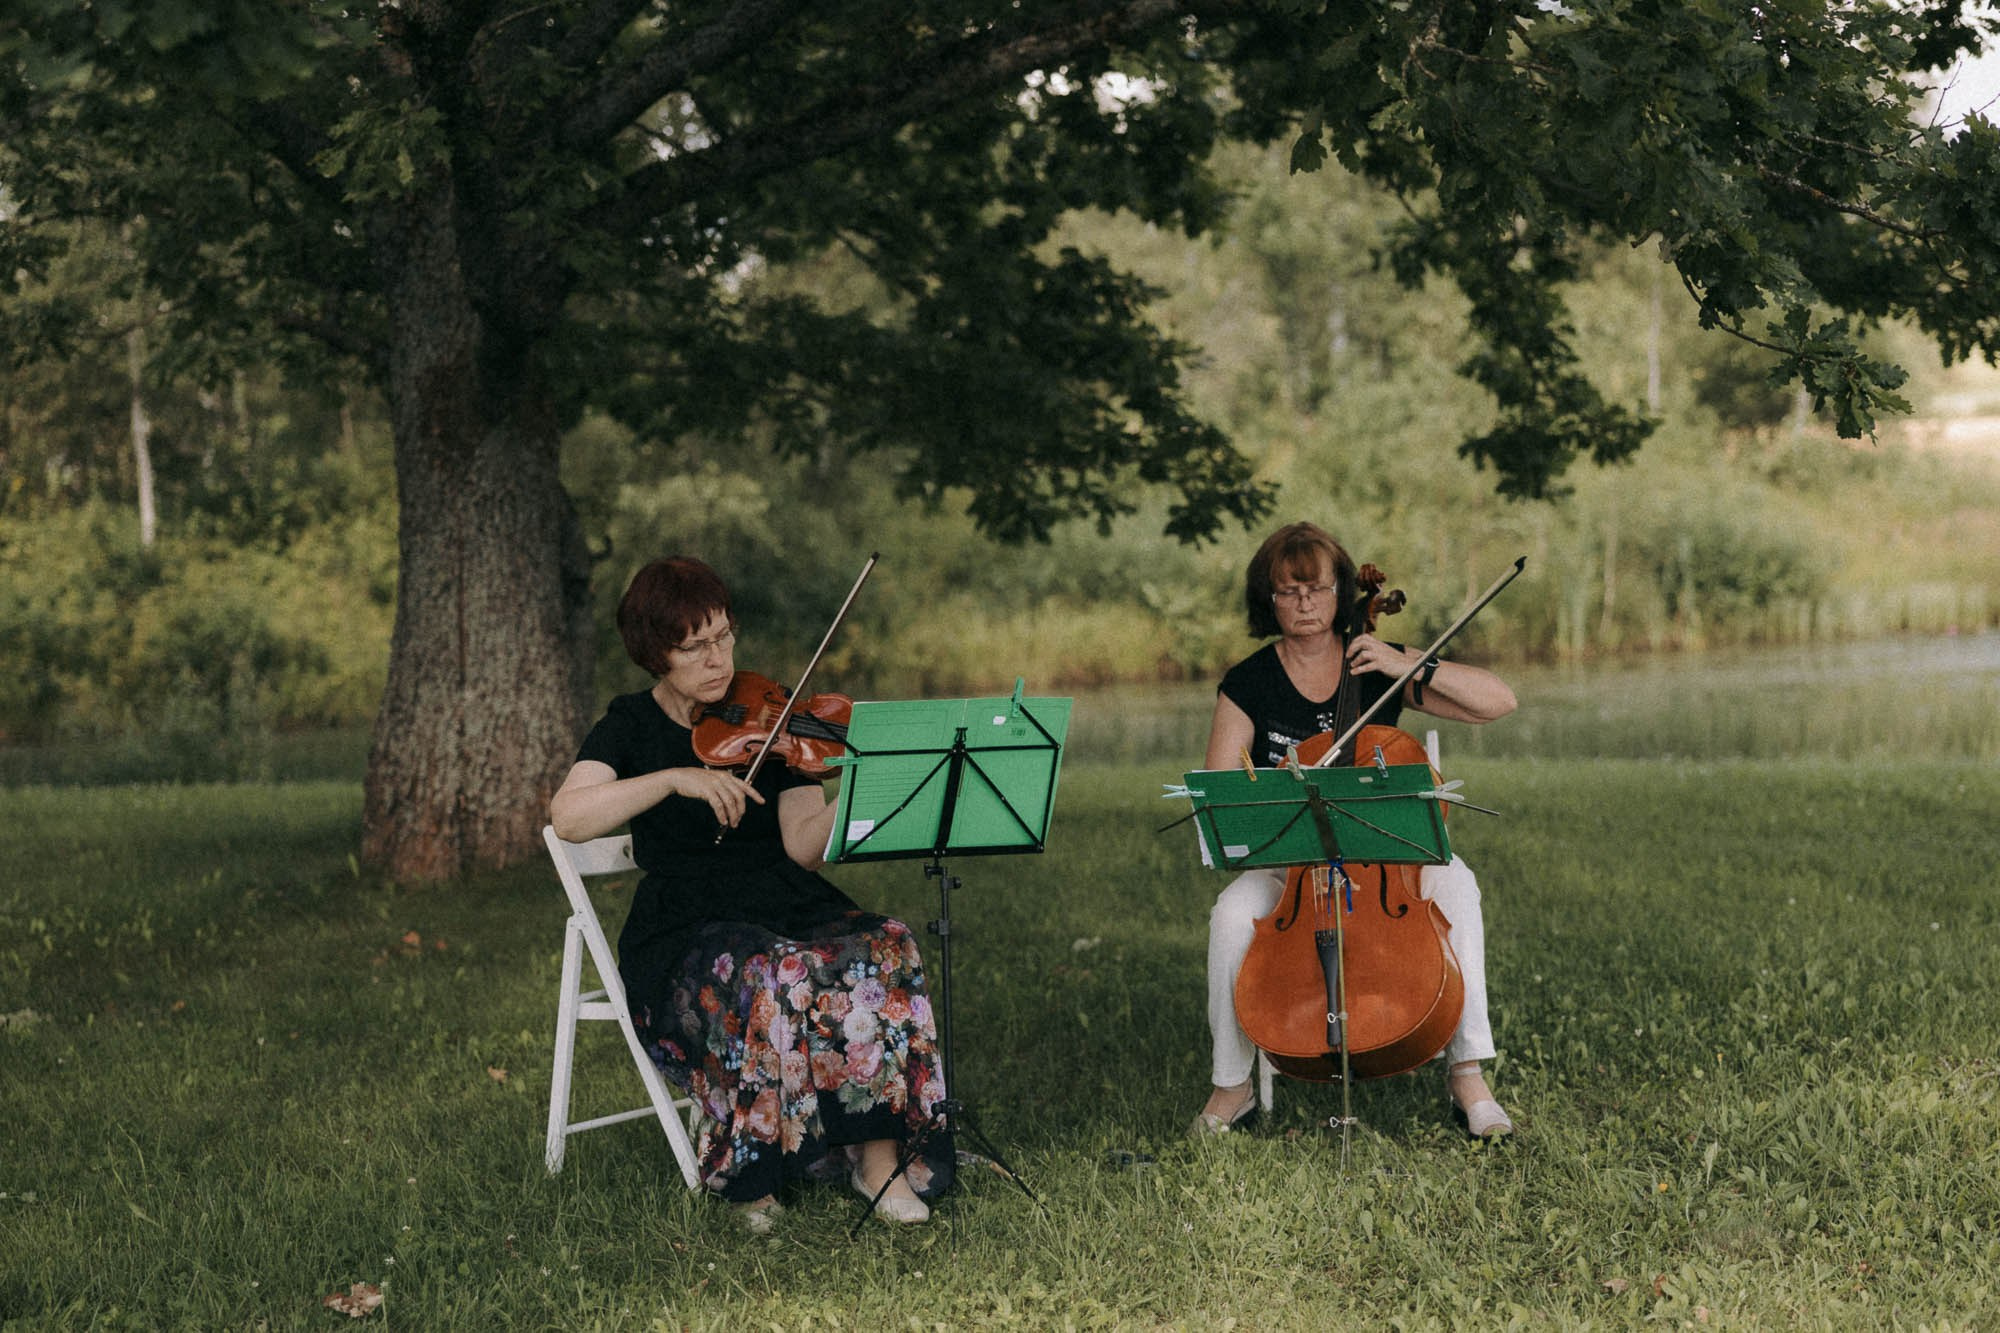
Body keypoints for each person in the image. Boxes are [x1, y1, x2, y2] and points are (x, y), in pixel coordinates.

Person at [550, 556, 951, 1230]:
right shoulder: (630, 725)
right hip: (687, 925)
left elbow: (801, 844)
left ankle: (876, 1160)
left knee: (886, 944)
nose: (719, 658)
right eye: (695, 645)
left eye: (725, 636)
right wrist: (675, 778)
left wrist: (861, 787)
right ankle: (753, 1177)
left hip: (785, 899)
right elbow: (569, 815)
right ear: (656, 652)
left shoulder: (779, 712)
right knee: (767, 966)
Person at [1191, 521, 1519, 1140]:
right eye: (1289, 591)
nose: (1305, 603)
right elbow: (1222, 796)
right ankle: (1232, 1086)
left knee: (1457, 883)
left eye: (1316, 588)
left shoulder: (1376, 662)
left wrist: (1406, 662)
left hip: (1384, 860)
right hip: (1289, 867)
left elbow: (1497, 702)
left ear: (1343, 593)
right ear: (1269, 599)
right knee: (1232, 914)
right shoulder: (1248, 683)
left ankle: (1468, 1071)